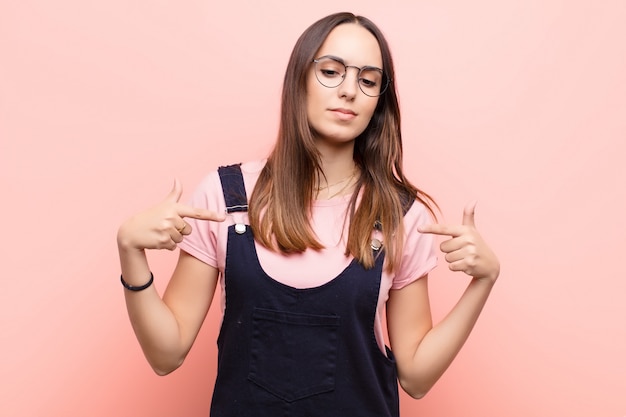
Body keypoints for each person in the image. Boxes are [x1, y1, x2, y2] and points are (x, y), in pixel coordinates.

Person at [117, 11, 500, 417]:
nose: (349, 90)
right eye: (332, 72)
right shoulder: (226, 197)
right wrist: (130, 250)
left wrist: (484, 280)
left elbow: (416, 378)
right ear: (299, 79)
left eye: (368, 80)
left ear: (378, 103)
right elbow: (166, 354)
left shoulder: (401, 216)